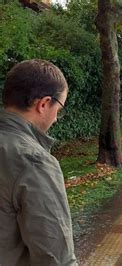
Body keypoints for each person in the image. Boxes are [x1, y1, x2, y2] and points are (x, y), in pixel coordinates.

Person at [0, 59, 77, 265]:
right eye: (58, 109)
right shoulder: (33, 161)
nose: (56, 119)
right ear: (43, 104)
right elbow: (55, 258)